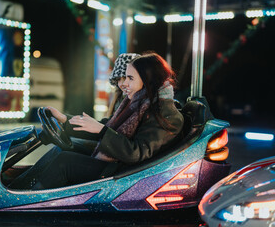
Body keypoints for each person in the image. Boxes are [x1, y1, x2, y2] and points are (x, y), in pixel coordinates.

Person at [12, 52, 184, 190]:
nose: (124, 84)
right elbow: (109, 126)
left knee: (64, 162)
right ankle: (20, 188)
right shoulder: (140, 102)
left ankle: (24, 202)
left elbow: (136, 153)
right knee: (59, 148)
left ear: (147, 79)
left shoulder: (165, 113)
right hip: (117, 162)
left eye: (130, 78)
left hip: (125, 175)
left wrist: (102, 131)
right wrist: (65, 120)